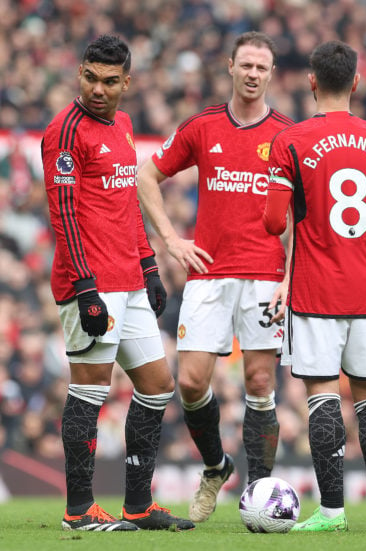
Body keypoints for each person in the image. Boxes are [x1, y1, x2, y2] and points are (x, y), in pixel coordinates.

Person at [136, 31, 293, 523]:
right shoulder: (203, 126)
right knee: (190, 382)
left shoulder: (287, 134)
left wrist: (294, 274)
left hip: (267, 273)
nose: (252, 74)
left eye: (261, 68)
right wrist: (171, 241)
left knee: (260, 380)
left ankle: (261, 494)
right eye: (245, 65)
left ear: (271, 74)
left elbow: (306, 213)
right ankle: (214, 466)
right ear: (230, 66)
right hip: (209, 271)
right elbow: (146, 176)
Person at [41, 35, 193, 532]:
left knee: (157, 386)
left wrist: (148, 266)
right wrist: (85, 288)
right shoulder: (64, 132)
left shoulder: (124, 126)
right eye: (90, 77)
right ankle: (78, 510)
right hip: (91, 282)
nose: (98, 89)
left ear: (127, 82)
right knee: (89, 388)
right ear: (79, 72)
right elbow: (63, 214)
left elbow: (127, 205)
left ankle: (137, 504)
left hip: (128, 278)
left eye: (109, 81)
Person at [263, 40, 366, 533]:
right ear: (357, 83)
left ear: (312, 81)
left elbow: (269, 222)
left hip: (315, 290)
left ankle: (332, 512)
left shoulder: (291, 141)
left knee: (322, 395)